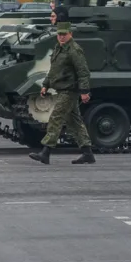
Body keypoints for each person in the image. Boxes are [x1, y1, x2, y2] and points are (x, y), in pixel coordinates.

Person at [29, 18, 96, 165]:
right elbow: (54, 70)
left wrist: (85, 91)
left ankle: (45, 152)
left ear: (70, 34)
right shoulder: (59, 48)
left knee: (56, 118)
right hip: (61, 89)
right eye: (59, 34)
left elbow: (83, 72)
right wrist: (45, 84)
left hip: (69, 90)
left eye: (64, 34)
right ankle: (87, 153)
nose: (61, 36)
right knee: (75, 122)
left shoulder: (74, 50)